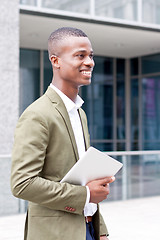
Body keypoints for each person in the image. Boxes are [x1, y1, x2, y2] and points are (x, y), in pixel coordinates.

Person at [11, 27, 115, 240]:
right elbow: (22, 183)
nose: (90, 62)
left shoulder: (80, 113)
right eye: (80, 55)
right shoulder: (37, 114)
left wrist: (100, 230)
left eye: (91, 56)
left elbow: (84, 178)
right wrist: (85, 194)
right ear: (55, 61)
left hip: (89, 229)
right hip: (55, 234)